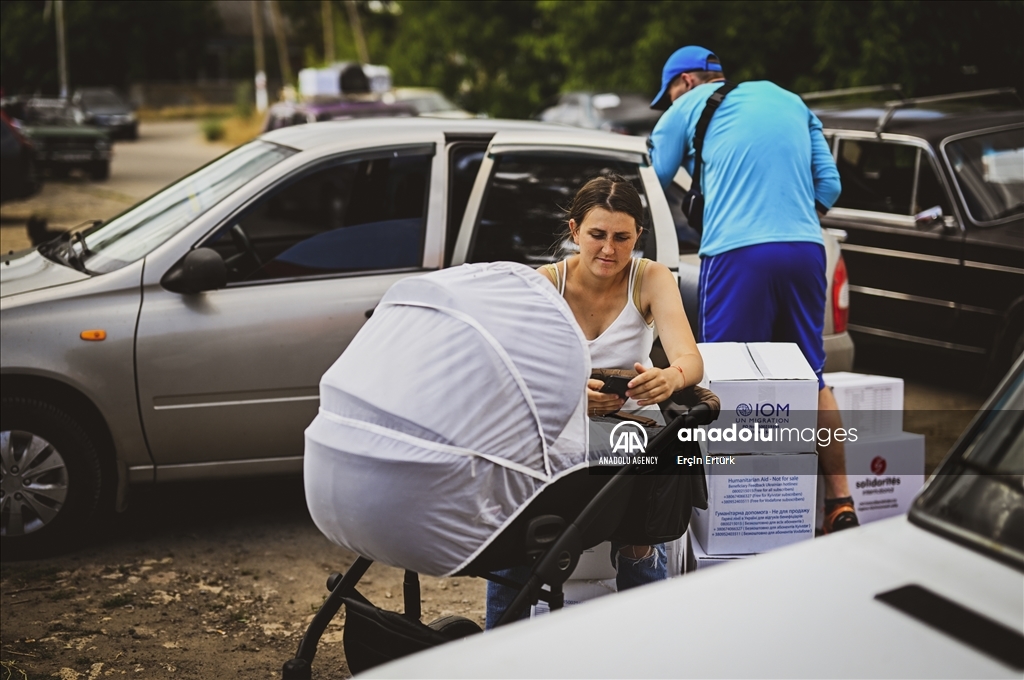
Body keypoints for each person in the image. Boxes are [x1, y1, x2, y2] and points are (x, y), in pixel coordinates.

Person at [648, 45, 859, 533]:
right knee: (811, 377)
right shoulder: (792, 100)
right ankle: (839, 502)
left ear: (685, 82)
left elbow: (653, 180)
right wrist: (782, 213)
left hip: (737, 253)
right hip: (806, 250)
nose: (670, 102)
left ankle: (730, 516)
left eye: (669, 93)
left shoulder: (686, 105)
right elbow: (830, 188)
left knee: (723, 378)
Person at [484, 175, 704, 628]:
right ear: (574, 230)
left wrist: (669, 378)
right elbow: (514, 372)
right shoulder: (546, 283)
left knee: (641, 532)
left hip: (629, 432)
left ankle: (647, 640)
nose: (609, 249)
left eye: (622, 238)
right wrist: (567, 395)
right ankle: (499, 641)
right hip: (563, 430)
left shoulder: (651, 278)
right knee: (519, 529)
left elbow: (690, 359)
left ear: (638, 236)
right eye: (597, 235)